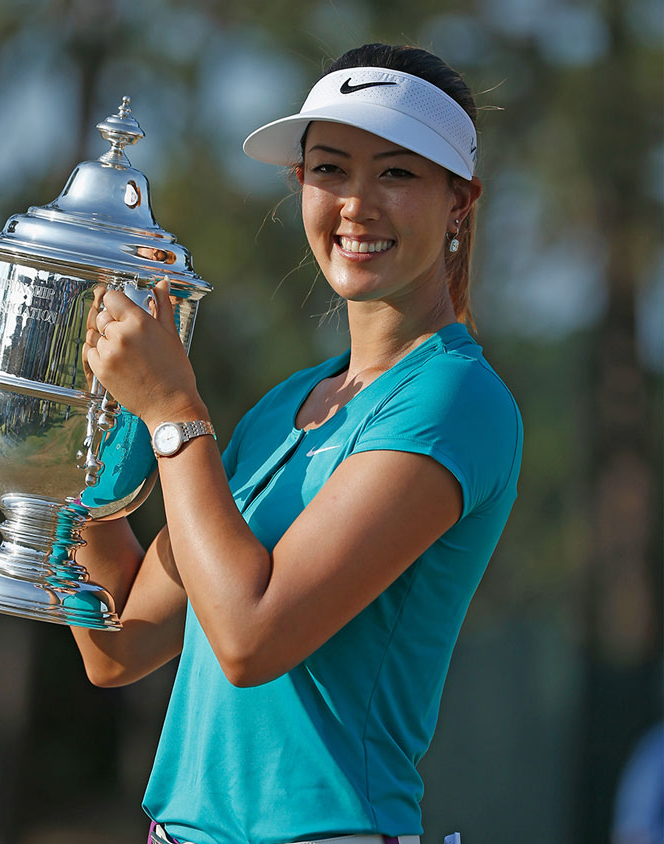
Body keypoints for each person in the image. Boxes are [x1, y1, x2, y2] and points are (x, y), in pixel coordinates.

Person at [72, 44, 522, 844]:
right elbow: (119, 644)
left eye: (396, 173)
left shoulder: (455, 399)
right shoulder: (287, 405)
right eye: (330, 169)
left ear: (460, 201)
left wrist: (174, 410)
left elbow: (251, 639)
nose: (356, 203)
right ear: (300, 185)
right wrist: (94, 448)